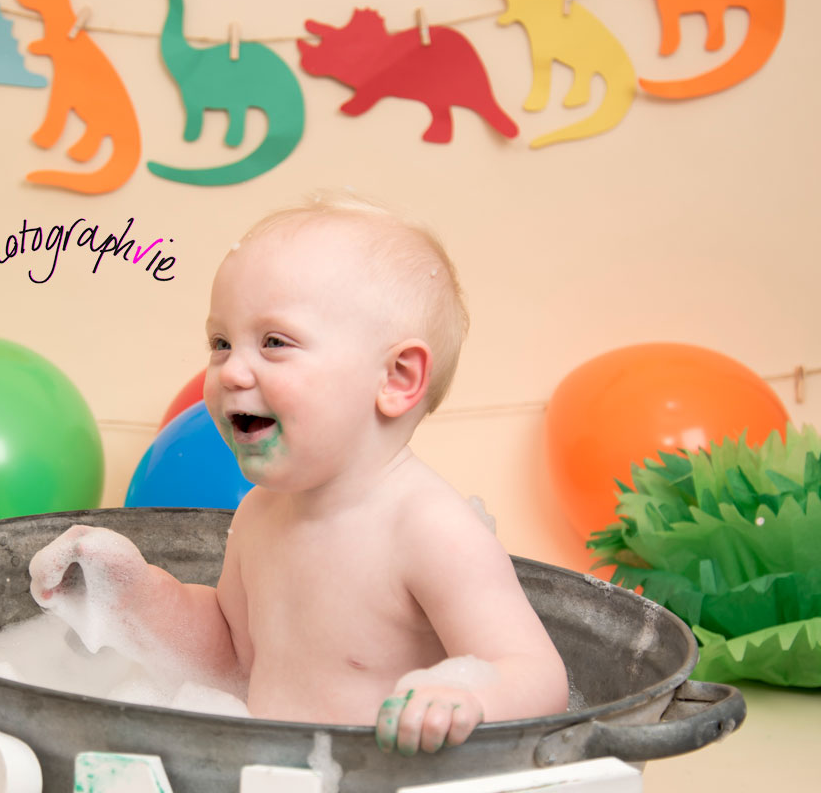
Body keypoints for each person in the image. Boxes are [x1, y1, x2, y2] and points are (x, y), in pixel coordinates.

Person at [29, 191, 568, 753]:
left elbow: (536, 673)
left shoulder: (429, 528)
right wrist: (134, 595)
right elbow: (231, 655)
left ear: (397, 379)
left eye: (275, 342)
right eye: (220, 343)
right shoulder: (261, 511)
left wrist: (466, 698)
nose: (232, 370)